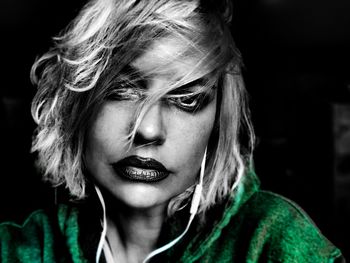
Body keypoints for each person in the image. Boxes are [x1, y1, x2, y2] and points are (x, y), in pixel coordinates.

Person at [0, 0, 345, 262]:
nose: (149, 129)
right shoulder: (25, 248)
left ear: (217, 124)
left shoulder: (275, 243)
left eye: (187, 100)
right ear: (77, 106)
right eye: (121, 91)